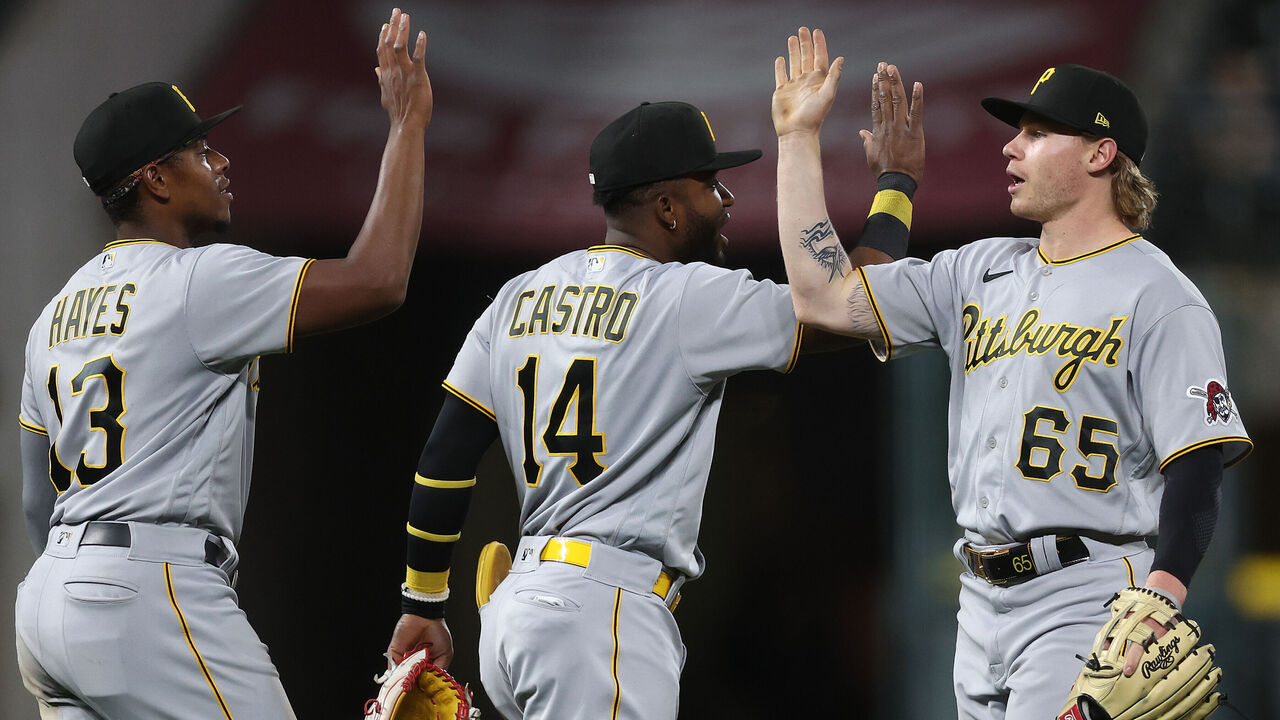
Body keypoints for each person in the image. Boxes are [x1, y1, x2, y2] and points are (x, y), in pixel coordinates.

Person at [380, 88, 922, 718]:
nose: (725, 202)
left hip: (513, 618)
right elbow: (850, 308)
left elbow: (443, 459)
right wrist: (897, 184)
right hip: (599, 612)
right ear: (667, 208)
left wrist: (421, 605)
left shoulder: (517, 297)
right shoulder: (687, 297)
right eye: (710, 186)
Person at [771, 28, 1252, 720]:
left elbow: (1199, 467)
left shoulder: (1159, 294)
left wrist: (1162, 597)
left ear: (1100, 152)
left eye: (1035, 133)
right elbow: (825, 299)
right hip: (980, 599)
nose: (1010, 147)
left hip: (1089, 596)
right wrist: (797, 140)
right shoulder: (978, 269)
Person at [15, 8, 432, 719]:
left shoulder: (54, 315)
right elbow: (379, 279)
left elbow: (36, 503)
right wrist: (407, 126)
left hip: (49, 602)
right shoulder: (196, 281)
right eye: (199, 149)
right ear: (155, 180)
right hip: (149, 592)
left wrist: (84, 571)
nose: (222, 161)